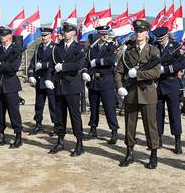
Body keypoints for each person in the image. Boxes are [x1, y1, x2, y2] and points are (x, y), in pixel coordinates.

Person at [115, 20, 161, 168]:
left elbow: (156, 72)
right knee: (130, 124)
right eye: (136, 31)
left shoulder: (153, 50)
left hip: (147, 92)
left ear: (147, 33)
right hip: (132, 93)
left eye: (141, 31)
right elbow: (119, 71)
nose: (138, 33)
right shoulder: (128, 52)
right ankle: (129, 153)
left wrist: (139, 74)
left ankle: (153, 154)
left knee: (150, 125)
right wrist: (119, 86)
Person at [45, 22, 86, 157]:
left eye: (68, 31)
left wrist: (63, 67)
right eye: (64, 31)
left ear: (73, 32)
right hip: (59, 85)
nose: (65, 33)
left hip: (72, 85)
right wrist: (49, 78)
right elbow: (51, 64)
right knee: (59, 115)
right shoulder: (57, 47)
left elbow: (78, 64)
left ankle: (79, 143)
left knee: (75, 115)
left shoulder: (79, 48)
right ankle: (60, 140)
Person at [152, 27, 185, 154]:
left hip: (171, 83)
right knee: (158, 113)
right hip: (158, 84)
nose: (160, 41)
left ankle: (177, 141)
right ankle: (158, 139)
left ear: (167, 36)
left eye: (162, 38)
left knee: (174, 114)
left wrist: (165, 70)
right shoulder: (154, 47)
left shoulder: (176, 47)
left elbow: (181, 64)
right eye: (158, 39)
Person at [84, 25, 119, 144]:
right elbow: (86, 62)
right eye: (102, 33)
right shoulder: (91, 48)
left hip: (106, 80)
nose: (105, 35)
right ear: (98, 35)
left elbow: (111, 60)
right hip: (94, 80)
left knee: (109, 107)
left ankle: (114, 131)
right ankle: (93, 129)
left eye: (107, 33)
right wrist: (85, 72)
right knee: (94, 107)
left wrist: (97, 62)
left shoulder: (111, 46)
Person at [0, 26, 23, 148]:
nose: (2, 37)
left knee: (14, 112)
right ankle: (1, 136)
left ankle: (18, 137)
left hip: (10, 85)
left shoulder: (16, 50)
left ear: (10, 36)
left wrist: (2, 66)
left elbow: (14, 67)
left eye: (4, 35)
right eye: (1, 35)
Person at [27, 27, 57, 135]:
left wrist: (43, 65)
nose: (43, 37)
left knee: (53, 104)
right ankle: (38, 124)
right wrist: (30, 74)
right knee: (39, 104)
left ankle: (56, 126)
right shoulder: (38, 47)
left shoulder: (55, 47)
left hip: (50, 80)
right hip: (40, 79)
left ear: (50, 36)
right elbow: (32, 62)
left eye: (45, 35)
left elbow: (55, 63)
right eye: (42, 35)